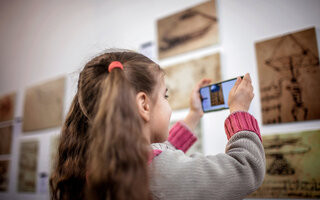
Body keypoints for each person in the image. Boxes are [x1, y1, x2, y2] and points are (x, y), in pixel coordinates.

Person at [50, 50, 265, 200]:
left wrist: (194, 114)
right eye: (165, 95)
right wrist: (239, 111)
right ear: (144, 104)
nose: (168, 104)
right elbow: (246, 168)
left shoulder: (103, 165)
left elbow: (158, 151)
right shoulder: (158, 173)